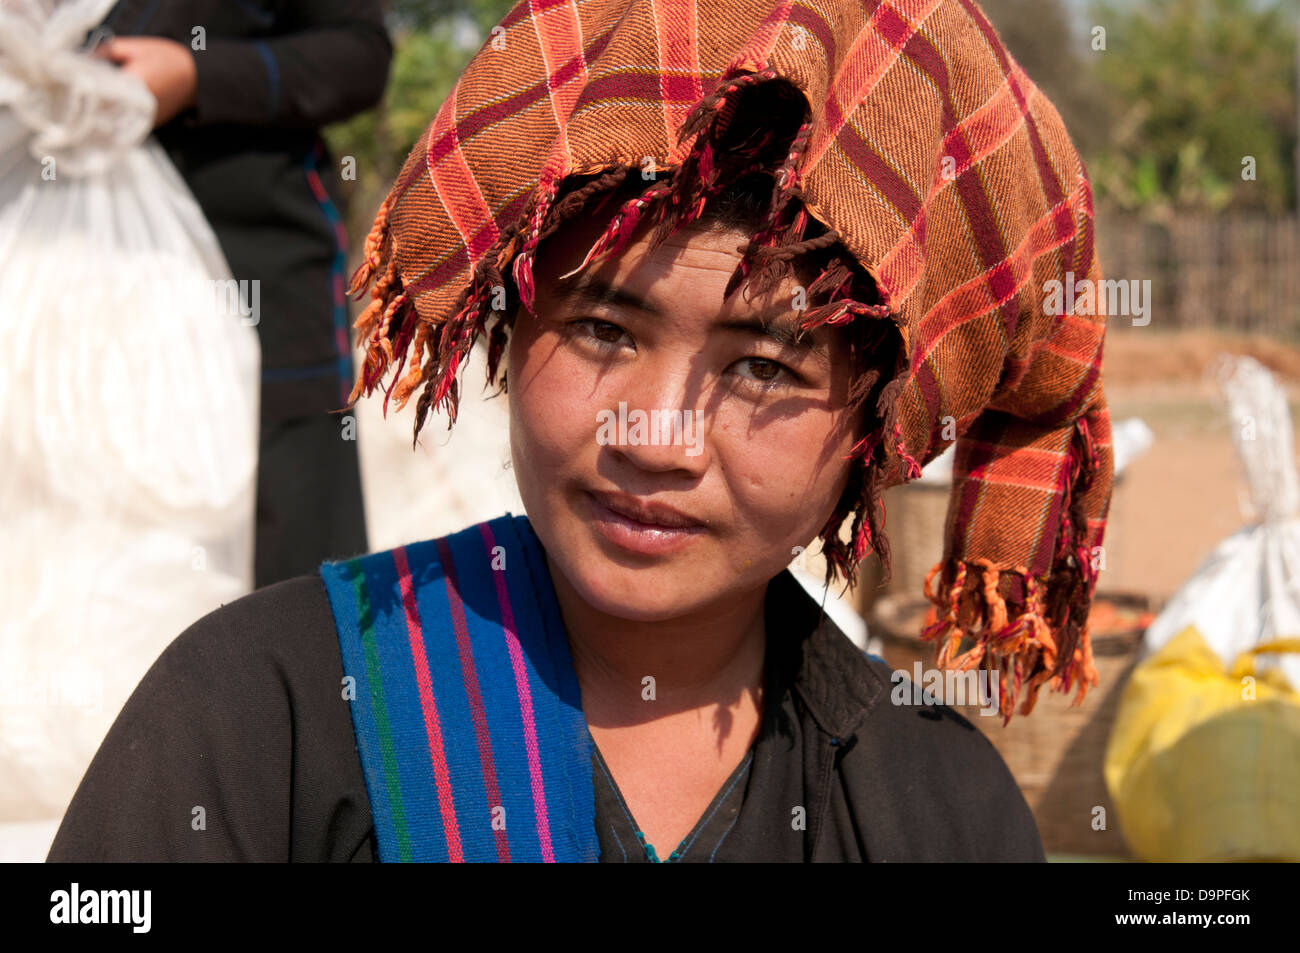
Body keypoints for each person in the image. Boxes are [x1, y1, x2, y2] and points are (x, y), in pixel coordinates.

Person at [48, 0, 1114, 863]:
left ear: (878, 432)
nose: (657, 436)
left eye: (762, 366)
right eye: (604, 327)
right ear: (509, 333)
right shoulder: (256, 714)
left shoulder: (932, 808)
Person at [92, 0, 391, 587]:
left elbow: (360, 56)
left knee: (295, 548)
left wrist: (197, 75)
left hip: (266, 283)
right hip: (86, 279)